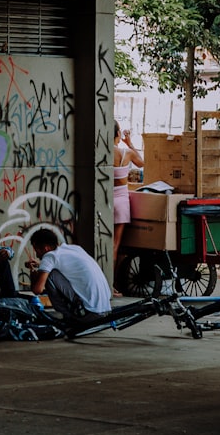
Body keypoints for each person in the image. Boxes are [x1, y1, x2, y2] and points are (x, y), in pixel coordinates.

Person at [27, 229, 112, 324]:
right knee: (52, 271)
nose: (37, 255)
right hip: (105, 310)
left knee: (51, 274)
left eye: (37, 250)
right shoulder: (75, 249)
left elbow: (37, 290)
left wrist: (32, 272)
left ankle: (68, 316)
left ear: (46, 248)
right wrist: (40, 265)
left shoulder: (49, 257)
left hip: (89, 314)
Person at [113, 121, 144, 294]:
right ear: (118, 134)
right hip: (121, 201)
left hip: (105, 200)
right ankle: (111, 284)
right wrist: (130, 143)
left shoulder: (102, 152)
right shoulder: (126, 153)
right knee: (115, 245)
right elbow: (141, 164)